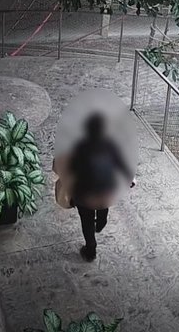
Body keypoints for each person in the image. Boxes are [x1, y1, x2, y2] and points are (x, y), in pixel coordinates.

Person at [68, 112, 135, 262]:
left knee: (86, 221)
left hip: (84, 193)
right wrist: (129, 178)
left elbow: (72, 170)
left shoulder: (81, 147)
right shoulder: (110, 145)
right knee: (103, 207)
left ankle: (90, 249)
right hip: (105, 191)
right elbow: (121, 163)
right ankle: (101, 223)